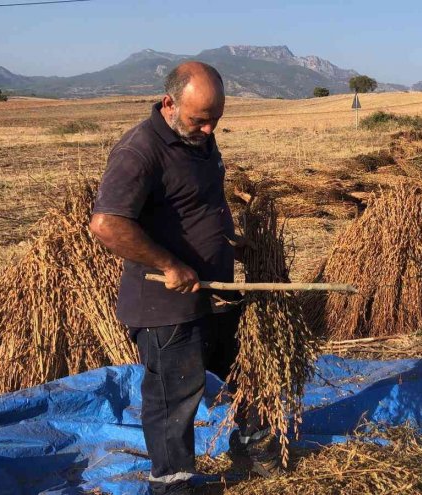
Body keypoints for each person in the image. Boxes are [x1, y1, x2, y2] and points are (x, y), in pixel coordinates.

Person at [89, 61, 268, 495]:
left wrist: (231, 240)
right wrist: (169, 264)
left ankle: (251, 447)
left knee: (249, 368)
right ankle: (173, 486)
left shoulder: (200, 142)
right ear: (169, 103)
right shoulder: (140, 150)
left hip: (216, 294)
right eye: (199, 120)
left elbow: (196, 204)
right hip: (165, 305)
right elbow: (107, 224)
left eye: (216, 121)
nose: (209, 130)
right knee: (175, 399)